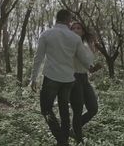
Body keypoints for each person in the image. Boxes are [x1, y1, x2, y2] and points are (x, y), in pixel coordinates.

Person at [30, 9, 93, 146]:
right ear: (68, 20)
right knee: (64, 111)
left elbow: (38, 57)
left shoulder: (47, 34)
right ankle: (63, 140)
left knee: (46, 109)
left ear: (56, 18)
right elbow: (84, 59)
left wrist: (33, 78)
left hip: (52, 77)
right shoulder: (75, 38)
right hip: (68, 80)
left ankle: (61, 140)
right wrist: (91, 67)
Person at [70, 22, 102, 144]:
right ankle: (78, 138)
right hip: (73, 78)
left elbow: (88, 65)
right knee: (77, 110)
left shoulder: (86, 46)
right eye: (72, 28)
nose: (75, 30)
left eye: (78, 28)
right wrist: (92, 68)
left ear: (83, 31)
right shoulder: (70, 44)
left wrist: (94, 68)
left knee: (93, 108)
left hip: (84, 78)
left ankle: (74, 129)